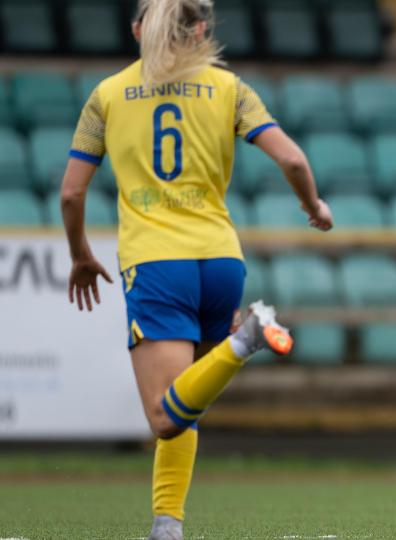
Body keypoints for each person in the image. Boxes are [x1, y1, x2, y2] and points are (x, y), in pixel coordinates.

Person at [60, 1, 334, 539]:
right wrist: (314, 205)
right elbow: (293, 160)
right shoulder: (230, 88)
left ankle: (246, 337)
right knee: (185, 401)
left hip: (157, 262)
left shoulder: (107, 95)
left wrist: (80, 255)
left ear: (137, 29)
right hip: (222, 261)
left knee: (163, 416)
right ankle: (167, 524)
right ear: (202, 29)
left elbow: (72, 193)